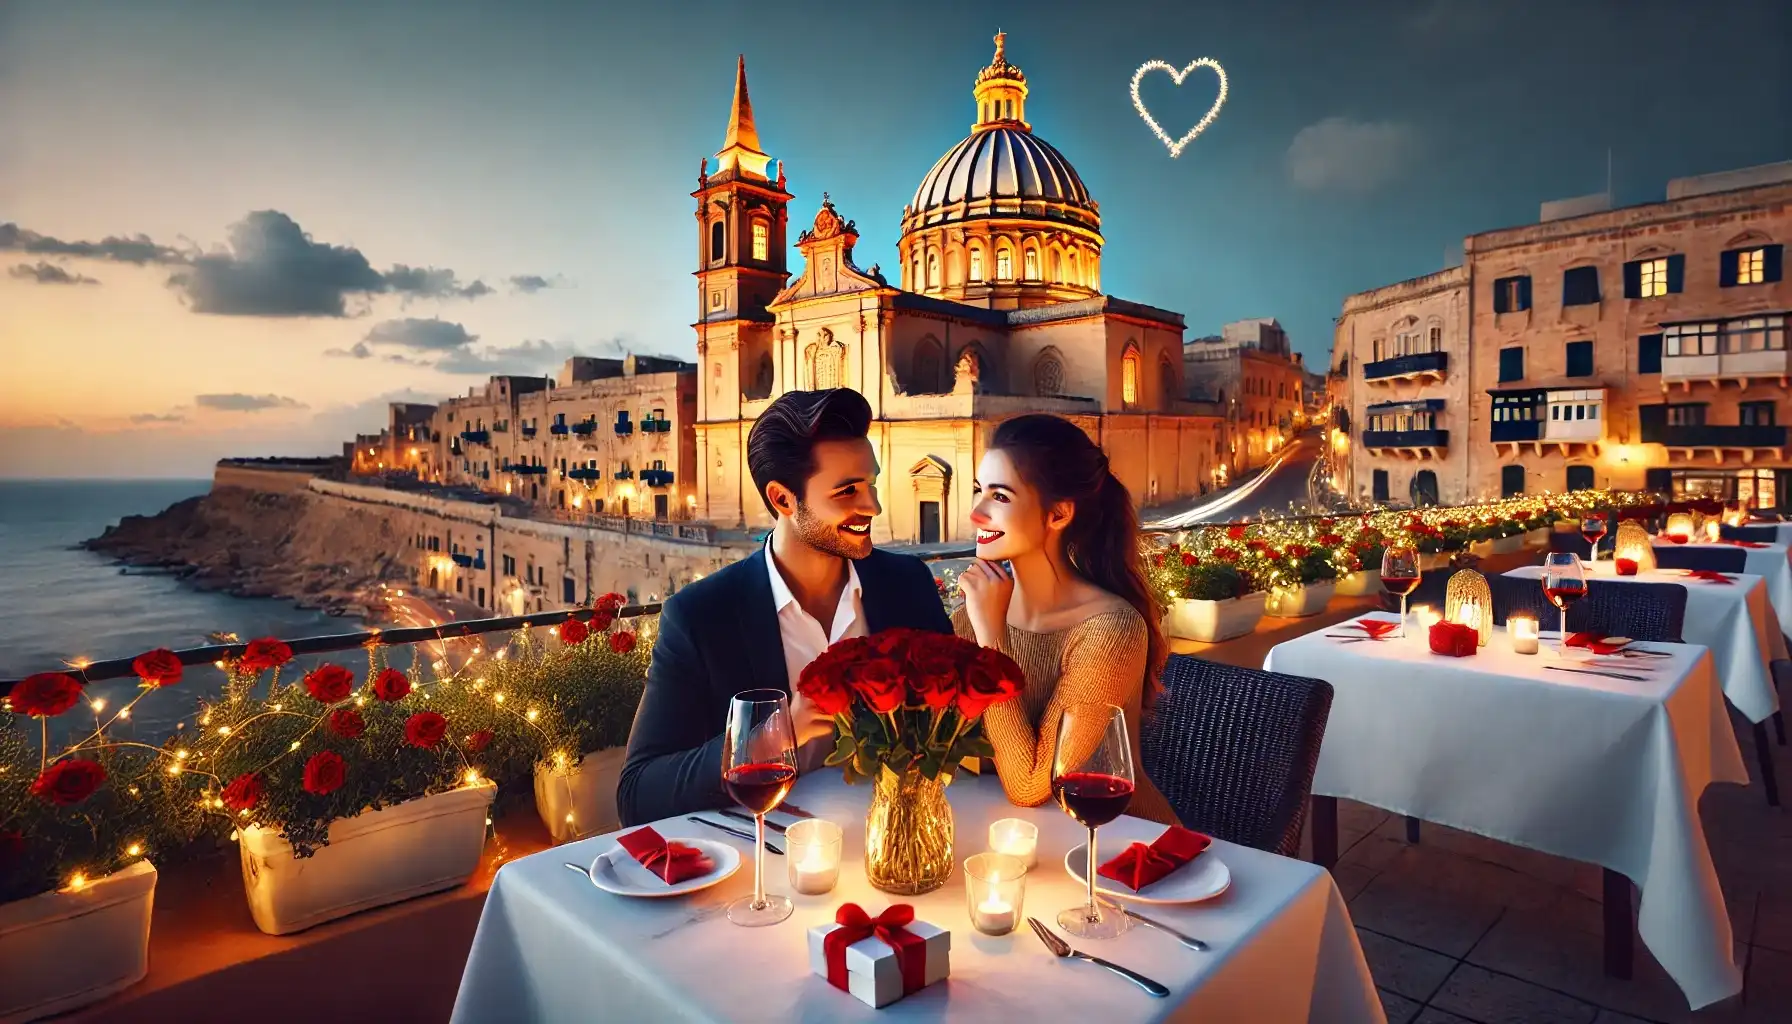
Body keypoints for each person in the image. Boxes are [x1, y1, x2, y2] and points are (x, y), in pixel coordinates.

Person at [617, 388, 953, 827]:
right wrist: (773, 737)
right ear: (782, 499)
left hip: (902, 843)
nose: (873, 506)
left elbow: (954, 724)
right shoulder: (701, 616)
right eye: (847, 490)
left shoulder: (906, 583)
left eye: (870, 483)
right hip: (765, 861)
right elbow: (637, 794)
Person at [955, 413, 1175, 824]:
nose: (976, 514)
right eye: (977, 491)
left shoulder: (1110, 630)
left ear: (1058, 514)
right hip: (1017, 841)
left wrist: (990, 646)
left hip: (1118, 846)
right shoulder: (973, 612)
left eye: (1000, 497)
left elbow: (1031, 786)